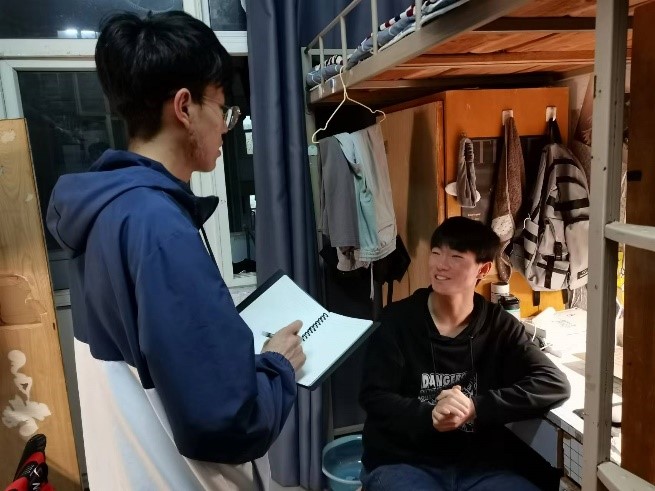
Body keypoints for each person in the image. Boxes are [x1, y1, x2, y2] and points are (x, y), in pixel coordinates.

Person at [46, 11, 304, 490]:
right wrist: (279, 365)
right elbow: (229, 424)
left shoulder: (106, 208)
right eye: (223, 109)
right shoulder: (158, 227)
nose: (226, 126)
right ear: (185, 107)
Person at [359, 217, 570, 490]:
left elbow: (553, 383)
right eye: (436, 253)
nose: (440, 265)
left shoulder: (499, 325)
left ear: (483, 269)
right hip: (405, 462)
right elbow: (375, 397)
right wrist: (429, 415)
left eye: (456, 257)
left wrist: (474, 407)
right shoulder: (398, 321)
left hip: (480, 465)